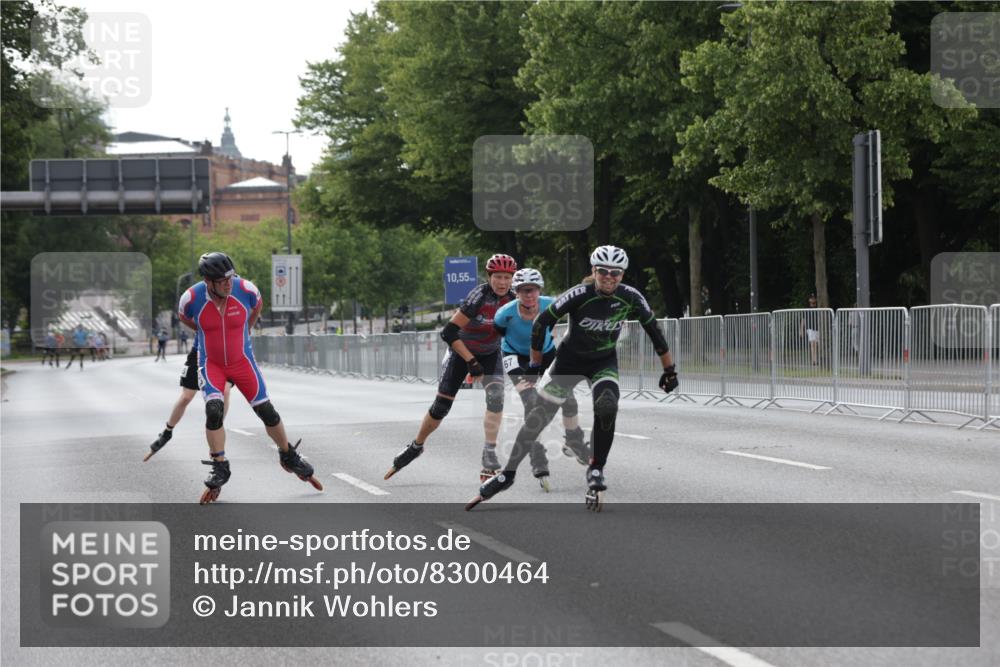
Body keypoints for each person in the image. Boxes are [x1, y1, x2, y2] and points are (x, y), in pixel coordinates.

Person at [466, 245, 679, 512]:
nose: (609, 277)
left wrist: (670, 371)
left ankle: (596, 470)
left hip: (603, 362)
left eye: (615, 273)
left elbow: (655, 332)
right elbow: (542, 322)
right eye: (603, 272)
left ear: (622, 275)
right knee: (537, 417)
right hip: (568, 362)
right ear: (594, 271)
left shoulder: (631, 297)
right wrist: (534, 362)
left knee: (607, 406)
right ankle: (507, 474)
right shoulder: (579, 294)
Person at [179, 251, 322, 503]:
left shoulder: (247, 291)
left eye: (231, 277)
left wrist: (245, 331)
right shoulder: (191, 299)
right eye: (222, 280)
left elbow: (256, 308)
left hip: (242, 362)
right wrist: (206, 333)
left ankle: (287, 454)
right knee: (214, 410)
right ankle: (220, 465)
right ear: (208, 282)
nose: (229, 283)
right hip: (211, 363)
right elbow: (186, 320)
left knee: (267, 412)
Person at [384, 253, 517, 482]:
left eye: (507, 277)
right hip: (461, 351)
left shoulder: (513, 301)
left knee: (496, 399)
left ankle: (489, 455)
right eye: (498, 277)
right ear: (489, 277)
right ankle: (417, 446)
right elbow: (448, 332)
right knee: (441, 407)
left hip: (490, 352)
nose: (502, 282)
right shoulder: (479, 296)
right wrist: (471, 361)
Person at [492, 268, 587, 491]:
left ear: (539, 290)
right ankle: (537, 459)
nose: (529, 295)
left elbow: (578, 312)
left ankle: (574, 440)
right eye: (524, 291)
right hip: (515, 356)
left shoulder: (550, 304)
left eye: (533, 290)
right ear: (516, 292)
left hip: (545, 353)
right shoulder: (504, 314)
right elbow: (498, 334)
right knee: (531, 403)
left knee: (568, 398)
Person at [143, 336, 232, 462]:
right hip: (200, 352)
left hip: (225, 353)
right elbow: (187, 318)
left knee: (225, 391)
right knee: (186, 397)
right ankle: (167, 432)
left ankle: (216, 433)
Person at [800, 294, 821, 365]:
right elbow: (803, 320)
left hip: (817, 328)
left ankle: (815, 359)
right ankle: (813, 360)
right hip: (810, 328)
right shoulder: (806, 308)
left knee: (816, 344)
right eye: (811, 298)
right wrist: (801, 330)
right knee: (812, 344)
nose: (812, 300)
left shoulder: (818, 307)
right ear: (809, 300)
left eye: (814, 298)